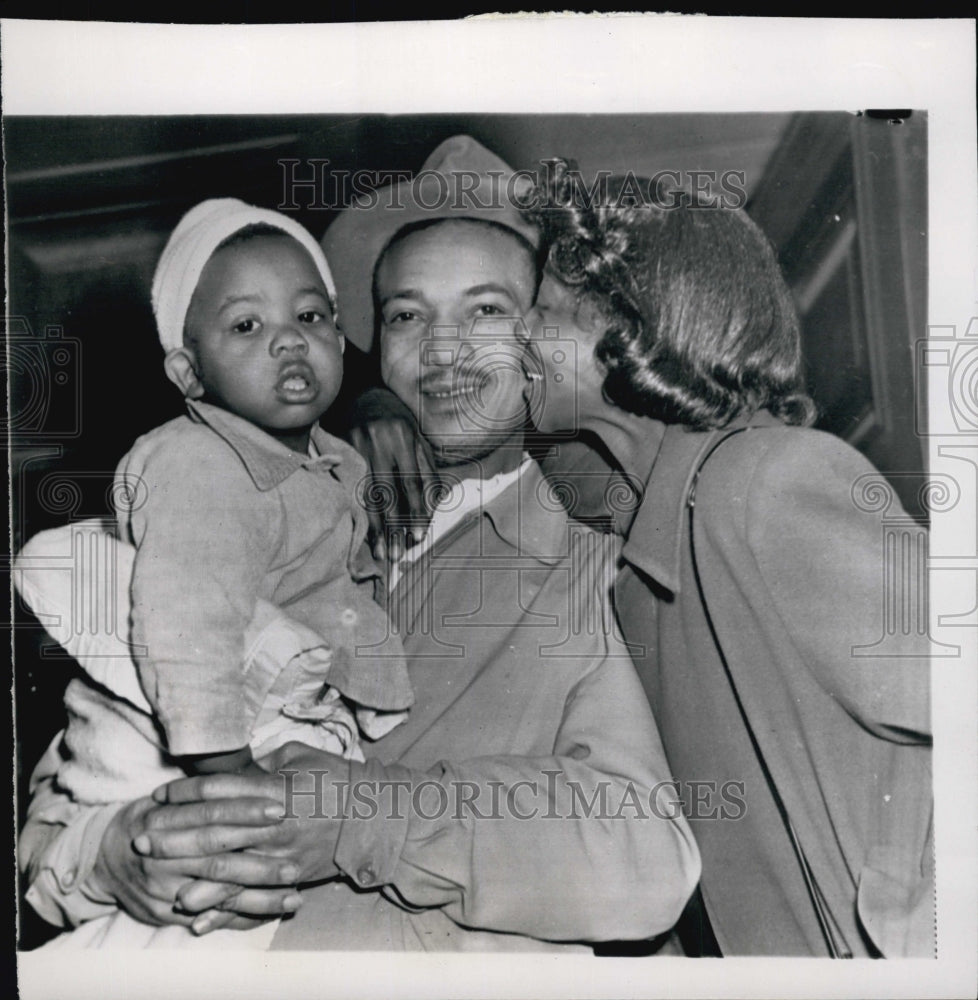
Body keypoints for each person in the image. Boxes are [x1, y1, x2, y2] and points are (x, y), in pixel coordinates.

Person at [17, 138, 700, 952]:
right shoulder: (262, 513)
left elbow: (647, 859)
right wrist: (114, 853)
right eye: (408, 315)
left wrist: (356, 819)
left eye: (486, 310)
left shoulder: (590, 575)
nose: (442, 351)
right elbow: (51, 825)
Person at [511, 162, 933, 957]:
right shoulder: (644, 563)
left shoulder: (764, 486)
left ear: (639, 332)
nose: (520, 332)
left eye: (548, 311)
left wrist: (916, 928)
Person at [15, 197, 415, 946]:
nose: (289, 343)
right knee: (202, 904)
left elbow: (343, 589)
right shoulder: (199, 462)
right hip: (172, 734)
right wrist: (227, 768)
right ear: (187, 371)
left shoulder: (334, 463)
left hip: (249, 720)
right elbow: (183, 619)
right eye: (246, 326)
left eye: (312, 316)